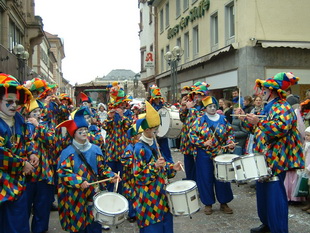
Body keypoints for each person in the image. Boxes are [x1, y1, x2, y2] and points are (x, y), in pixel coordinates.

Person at [235, 72, 304, 233]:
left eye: (264, 89)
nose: (261, 92)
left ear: (271, 91)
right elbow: (257, 130)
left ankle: (278, 229)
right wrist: (245, 119)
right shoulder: (268, 106)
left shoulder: (282, 106)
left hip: (276, 158)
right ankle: (267, 224)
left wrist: (259, 121)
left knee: (274, 195)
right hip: (263, 157)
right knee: (263, 194)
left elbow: (279, 128)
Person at [56, 109, 120, 233]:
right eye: (81, 131)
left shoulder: (96, 150)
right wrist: (79, 181)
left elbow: (102, 168)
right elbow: (63, 173)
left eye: (86, 130)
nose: (84, 133)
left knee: (94, 225)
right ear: (74, 134)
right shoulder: (67, 153)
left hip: (94, 194)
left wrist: (111, 175)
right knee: (78, 226)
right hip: (75, 197)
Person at [133, 101, 182, 232]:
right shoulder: (139, 149)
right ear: (147, 130)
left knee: (166, 224)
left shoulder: (155, 144)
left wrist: (172, 168)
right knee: (153, 227)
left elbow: (162, 165)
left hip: (161, 194)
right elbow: (139, 176)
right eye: (155, 129)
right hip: (149, 197)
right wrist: (155, 166)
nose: (158, 131)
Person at [0, 73, 38, 233]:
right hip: (3, 183)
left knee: (21, 220)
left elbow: (28, 140)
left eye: (16, 102)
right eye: (9, 102)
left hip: (20, 182)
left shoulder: (20, 121)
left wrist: (32, 153)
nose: (13, 106)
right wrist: (22, 164)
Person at [189, 96, 236, 215]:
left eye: (214, 106)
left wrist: (230, 142)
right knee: (205, 178)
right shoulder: (199, 120)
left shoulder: (223, 119)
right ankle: (208, 203)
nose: (213, 108)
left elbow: (230, 133)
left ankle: (224, 202)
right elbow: (192, 135)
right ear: (205, 108)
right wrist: (203, 142)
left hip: (220, 153)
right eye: (210, 106)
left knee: (222, 178)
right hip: (204, 154)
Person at [24, 98, 56, 233]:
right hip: (26, 176)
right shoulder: (21, 125)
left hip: (44, 174)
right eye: (34, 112)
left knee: (42, 210)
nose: (37, 114)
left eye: (38, 111)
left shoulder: (45, 126)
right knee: (22, 210)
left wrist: (38, 125)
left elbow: (52, 141)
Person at [179, 82, 210, 181]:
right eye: (195, 94)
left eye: (199, 95)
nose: (197, 97)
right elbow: (183, 119)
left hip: (197, 143)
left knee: (197, 168)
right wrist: (183, 109)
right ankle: (190, 180)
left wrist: (190, 108)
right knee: (189, 166)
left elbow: (197, 122)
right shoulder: (192, 105)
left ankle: (196, 184)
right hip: (187, 143)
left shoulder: (206, 107)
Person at [301, 126, 310, 213]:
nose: (307, 137)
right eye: (306, 135)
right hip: (306, 168)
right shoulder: (306, 144)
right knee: (308, 187)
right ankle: (308, 203)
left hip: (309, 168)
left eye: (309, 135)